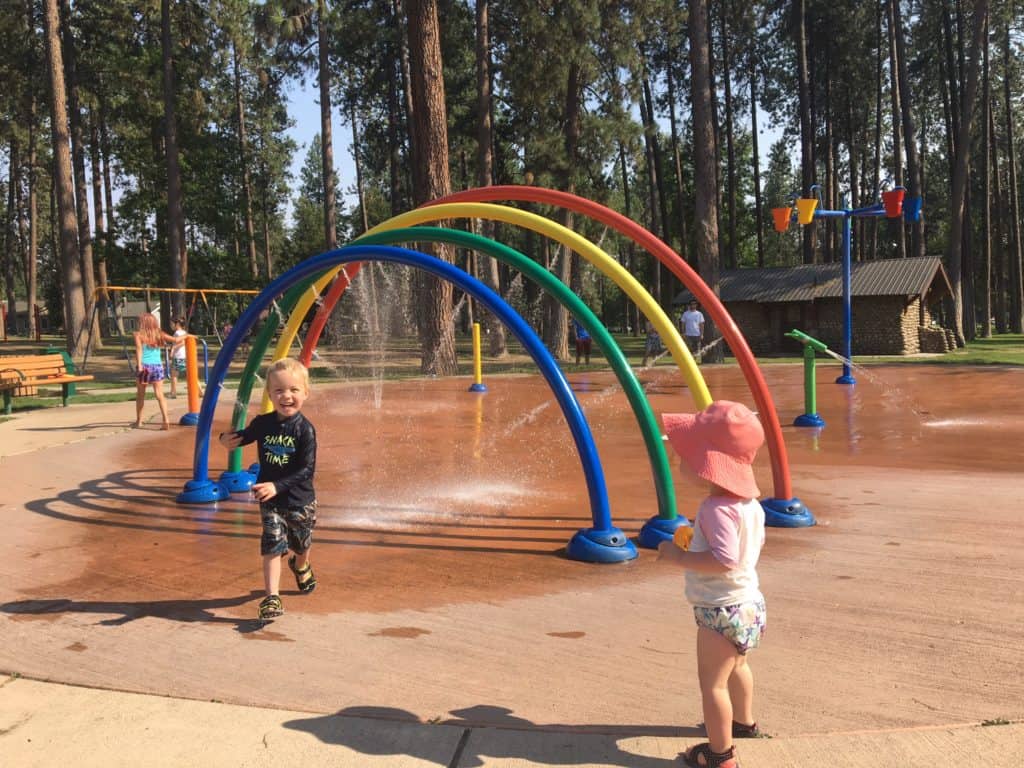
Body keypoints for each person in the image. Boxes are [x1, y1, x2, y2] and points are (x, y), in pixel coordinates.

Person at [657, 400, 767, 768]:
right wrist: (697, 541)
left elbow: (725, 560)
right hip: (748, 604)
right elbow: (742, 552)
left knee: (713, 686)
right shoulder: (750, 505)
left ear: (708, 465)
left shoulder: (715, 509)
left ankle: (720, 756)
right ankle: (744, 723)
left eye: (686, 454)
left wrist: (678, 557)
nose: (680, 460)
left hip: (721, 609)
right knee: (738, 668)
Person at [219, 358, 318, 621]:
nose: (286, 396)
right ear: (270, 394)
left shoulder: (305, 430)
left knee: (301, 543)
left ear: (305, 393)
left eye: (294, 390)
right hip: (270, 500)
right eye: (279, 390)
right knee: (272, 545)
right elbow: (242, 437)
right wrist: (225, 440)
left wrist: (278, 485)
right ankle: (272, 597)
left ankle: (301, 564)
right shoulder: (263, 424)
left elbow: (307, 470)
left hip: (300, 500)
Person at [133, 313, 178, 430]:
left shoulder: (138, 335)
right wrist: (188, 336)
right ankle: (165, 420)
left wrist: (139, 366)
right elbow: (176, 339)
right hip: (157, 367)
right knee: (160, 395)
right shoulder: (159, 334)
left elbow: (139, 350)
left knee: (141, 395)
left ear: (143, 323)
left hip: (145, 367)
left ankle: (139, 421)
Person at [169, 317, 188, 399]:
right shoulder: (184, 332)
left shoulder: (177, 333)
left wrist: (173, 349)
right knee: (189, 374)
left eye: (172, 323)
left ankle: (173, 393)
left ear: (177, 324)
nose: (171, 325)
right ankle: (199, 390)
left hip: (178, 356)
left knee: (174, 375)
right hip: (183, 356)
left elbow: (182, 342)